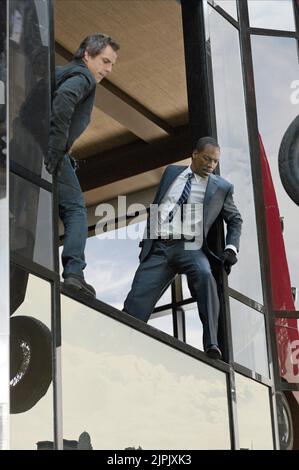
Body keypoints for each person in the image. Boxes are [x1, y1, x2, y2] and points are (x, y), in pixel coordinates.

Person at [123, 136, 242, 359]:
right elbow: (159, 203)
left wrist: (231, 248)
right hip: (158, 247)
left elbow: (235, 219)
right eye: (207, 158)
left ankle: (212, 344)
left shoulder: (221, 187)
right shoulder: (171, 173)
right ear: (194, 154)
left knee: (205, 275)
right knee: (134, 305)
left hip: (190, 247)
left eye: (215, 162)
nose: (211, 165)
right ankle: (124, 345)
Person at [45, 33, 119, 297]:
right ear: (87, 54)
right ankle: (74, 272)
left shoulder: (63, 72)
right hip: (51, 148)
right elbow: (63, 102)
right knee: (76, 210)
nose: (108, 69)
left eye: (111, 64)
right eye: (105, 61)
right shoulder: (83, 77)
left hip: (36, 145)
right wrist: (56, 148)